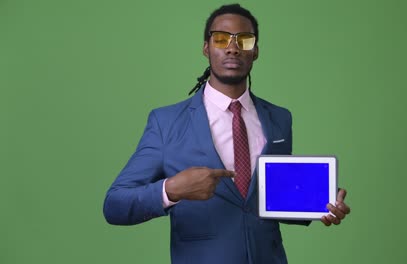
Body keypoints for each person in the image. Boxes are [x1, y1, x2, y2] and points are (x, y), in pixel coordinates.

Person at [103, 3, 351, 264]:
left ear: (255, 51)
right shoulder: (166, 122)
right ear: (206, 48)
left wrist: (320, 204)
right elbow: (115, 205)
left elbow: (268, 200)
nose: (233, 47)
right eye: (221, 39)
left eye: (244, 40)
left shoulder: (279, 118)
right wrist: (172, 189)